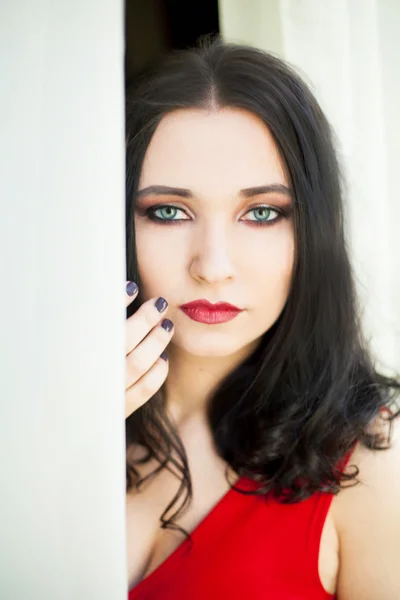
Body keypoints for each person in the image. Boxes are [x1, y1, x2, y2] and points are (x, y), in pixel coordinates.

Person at [123, 38, 400, 599]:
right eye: (169, 212)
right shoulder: (39, 424)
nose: (214, 267)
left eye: (262, 213)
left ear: (312, 231)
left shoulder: (373, 459)